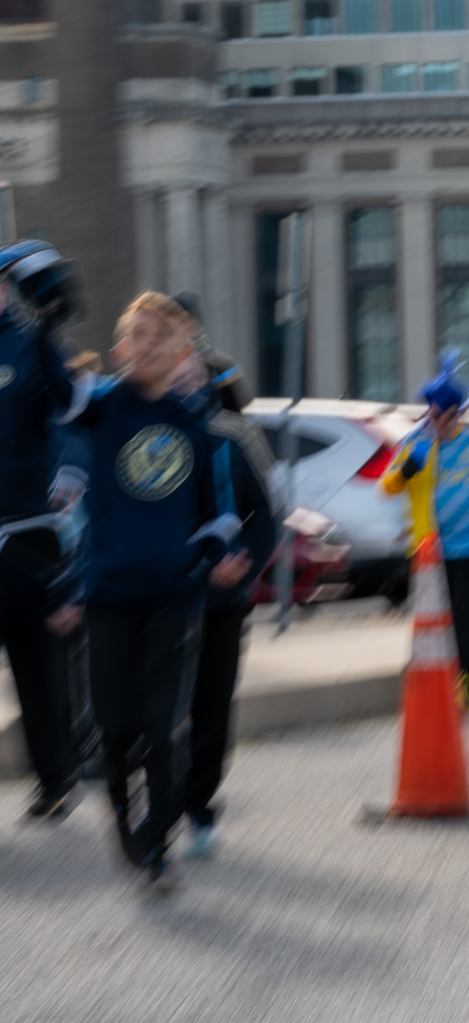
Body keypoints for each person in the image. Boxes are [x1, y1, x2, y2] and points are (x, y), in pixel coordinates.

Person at [49, 293, 247, 889]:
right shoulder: (102, 407)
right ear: (121, 349)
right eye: (139, 334)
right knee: (113, 729)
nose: (150, 344)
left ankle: (158, 844)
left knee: (164, 725)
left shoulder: (198, 426)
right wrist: (41, 317)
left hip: (174, 596)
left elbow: (219, 515)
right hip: (108, 593)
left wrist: (220, 554)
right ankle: (126, 816)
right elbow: (54, 388)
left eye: (163, 336)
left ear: (184, 351)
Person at [167, 298, 280, 860]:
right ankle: (163, 798)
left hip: (221, 600)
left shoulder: (231, 437)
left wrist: (244, 562)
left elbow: (267, 517)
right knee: (163, 707)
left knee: (210, 706)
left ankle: (200, 805)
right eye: (174, 377)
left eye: (191, 376)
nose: (183, 384)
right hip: (161, 599)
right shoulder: (148, 439)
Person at [0, 246, 90, 823]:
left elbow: (77, 414)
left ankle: (56, 781)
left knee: (38, 670)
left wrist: (73, 471)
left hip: (26, 534)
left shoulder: (32, 343)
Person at [381, 355, 469, 697]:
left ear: (458, 412)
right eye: (430, 410)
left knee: (464, 622)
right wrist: (407, 469)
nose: (433, 417)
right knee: (433, 628)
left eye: (440, 412)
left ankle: (464, 685)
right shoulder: (415, 444)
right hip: (429, 551)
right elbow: (386, 488)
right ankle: (433, 690)